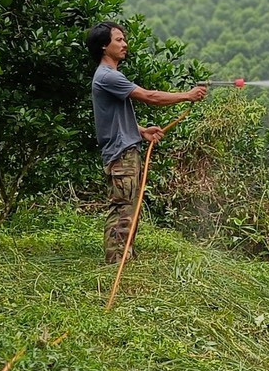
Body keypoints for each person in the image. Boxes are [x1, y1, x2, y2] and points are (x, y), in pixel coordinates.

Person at [87, 22, 206, 263]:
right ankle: (116, 262)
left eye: (124, 39)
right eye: (118, 40)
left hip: (126, 151)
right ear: (103, 46)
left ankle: (124, 257)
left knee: (129, 207)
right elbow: (149, 96)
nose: (124, 44)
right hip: (121, 156)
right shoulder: (108, 76)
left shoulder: (111, 76)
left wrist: (141, 131)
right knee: (123, 210)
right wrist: (187, 95)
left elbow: (113, 117)